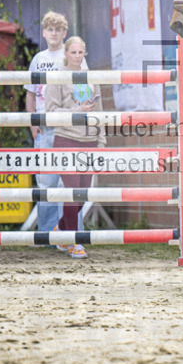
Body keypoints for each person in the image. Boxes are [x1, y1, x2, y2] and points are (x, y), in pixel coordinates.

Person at [24, 11, 88, 235]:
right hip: (44, 126)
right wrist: (32, 123)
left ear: (65, 32)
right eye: (49, 29)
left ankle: (71, 232)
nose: (53, 33)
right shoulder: (38, 60)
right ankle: (46, 234)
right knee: (46, 183)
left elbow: (85, 89)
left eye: (58, 29)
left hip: (68, 127)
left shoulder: (73, 55)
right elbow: (30, 93)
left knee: (70, 183)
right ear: (43, 33)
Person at [43, 36, 105, 259]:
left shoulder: (91, 78)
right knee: (72, 193)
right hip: (66, 138)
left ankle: (60, 230)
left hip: (89, 140)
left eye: (81, 53)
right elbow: (50, 112)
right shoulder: (57, 78)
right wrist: (76, 113)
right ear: (66, 53)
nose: (77, 56)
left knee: (82, 197)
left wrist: (101, 141)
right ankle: (75, 241)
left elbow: (100, 112)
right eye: (73, 52)